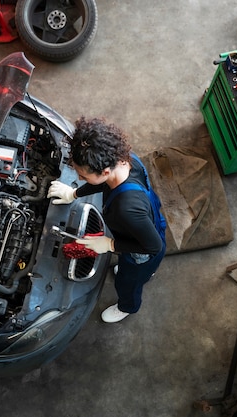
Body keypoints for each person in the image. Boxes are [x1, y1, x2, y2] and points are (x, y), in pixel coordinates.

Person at [47, 117, 166, 323]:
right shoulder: (125, 161)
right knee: (132, 269)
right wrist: (74, 194)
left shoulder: (126, 209)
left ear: (104, 171)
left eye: (83, 176)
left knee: (126, 282)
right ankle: (144, 274)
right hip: (149, 223)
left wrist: (110, 244)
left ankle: (127, 305)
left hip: (143, 251)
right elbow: (101, 183)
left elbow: (153, 246)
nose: (81, 178)